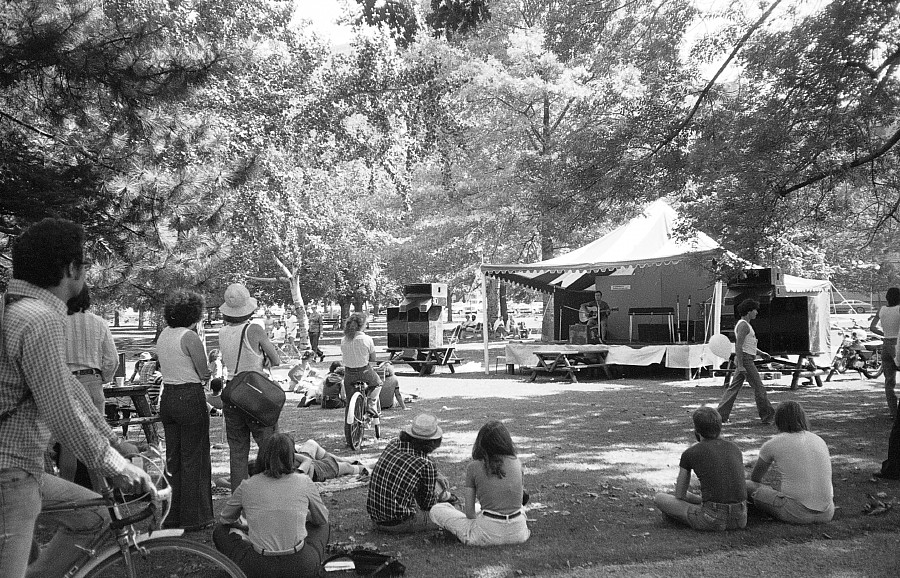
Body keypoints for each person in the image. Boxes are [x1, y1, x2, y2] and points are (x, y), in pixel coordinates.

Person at [0, 218, 151, 578]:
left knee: (94, 516)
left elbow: (65, 386)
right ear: (70, 268)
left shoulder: (17, 307)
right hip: (10, 472)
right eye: (84, 264)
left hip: (23, 468)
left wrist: (114, 441)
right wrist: (114, 465)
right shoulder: (38, 318)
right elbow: (61, 410)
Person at [213, 433, 329, 578]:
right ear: (291, 458)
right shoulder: (304, 481)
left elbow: (225, 520)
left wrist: (246, 527)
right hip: (300, 566)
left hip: (258, 568)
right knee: (323, 526)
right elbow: (321, 520)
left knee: (220, 531)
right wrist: (304, 518)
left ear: (261, 457)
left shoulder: (247, 485)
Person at [156, 289, 214, 531]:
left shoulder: (163, 335)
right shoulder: (189, 337)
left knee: (173, 458)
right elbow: (204, 371)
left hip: (167, 395)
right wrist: (209, 373)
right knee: (195, 457)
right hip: (189, 394)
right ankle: (195, 517)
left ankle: (171, 514)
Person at [218, 283, 282, 492]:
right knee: (269, 447)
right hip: (255, 394)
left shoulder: (222, 332)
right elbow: (276, 359)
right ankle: (273, 492)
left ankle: (239, 502)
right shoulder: (254, 329)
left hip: (233, 393)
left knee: (237, 452)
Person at [430, 421, 530, 546]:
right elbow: (518, 501)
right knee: (485, 507)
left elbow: (470, 514)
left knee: (437, 509)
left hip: (486, 534)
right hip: (519, 532)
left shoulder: (474, 467)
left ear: (481, 443)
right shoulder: (517, 462)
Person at [59, 285, 120, 490]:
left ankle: (66, 498)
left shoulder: (56, 321)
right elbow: (111, 360)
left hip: (65, 382)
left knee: (68, 445)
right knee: (96, 444)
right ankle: (103, 499)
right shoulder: (99, 322)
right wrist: (103, 378)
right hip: (91, 381)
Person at [654, 407, 747, 531]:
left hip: (712, 518)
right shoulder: (735, 449)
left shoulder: (690, 453)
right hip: (741, 517)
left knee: (660, 498)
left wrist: (691, 498)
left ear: (696, 430)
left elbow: (680, 494)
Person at [746, 401, 834, 524]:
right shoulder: (819, 440)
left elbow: (755, 478)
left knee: (747, 485)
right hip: (827, 512)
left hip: (795, 512)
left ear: (778, 421)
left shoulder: (773, 443)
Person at [367, 413, 448, 533]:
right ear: (434, 442)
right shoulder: (425, 464)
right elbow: (428, 505)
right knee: (452, 513)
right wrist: (444, 497)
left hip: (376, 519)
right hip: (400, 522)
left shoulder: (394, 444)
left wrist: (436, 475)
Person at [716, 299, 776, 425]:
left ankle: (720, 416)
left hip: (745, 358)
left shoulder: (744, 325)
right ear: (749, 311)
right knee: (759, 388)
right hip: (746, 360)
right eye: (755, 310)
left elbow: (748, 344)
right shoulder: (743, 325)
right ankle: (768, 416)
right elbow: (739, 346)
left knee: (733, 388)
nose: (756, 313)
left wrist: (760, 353)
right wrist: (742, 365)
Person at [340, 313, 382, 421]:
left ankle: (349, 426)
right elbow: (373, 359)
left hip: (349, 373)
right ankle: (371, 405)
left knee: (349, 402)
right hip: (364, 371)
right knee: (377, 383)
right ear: (362, 325)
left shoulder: (344, 340)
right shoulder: (366, 339)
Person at [869, 287, 900, 418]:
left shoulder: (881, 309)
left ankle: (894, 412)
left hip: (886, 344)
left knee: (889, 381)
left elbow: (872, 327)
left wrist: (884, 334)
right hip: (897, 344)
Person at [292, 439, 367, 481]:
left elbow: (308, 463)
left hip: (317, 466)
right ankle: (367, 469)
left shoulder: (289, 460)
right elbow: (309, 464)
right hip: (321, 469)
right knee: (347, 467)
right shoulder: (295, 470)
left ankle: (352, 463)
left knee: (311, 443)